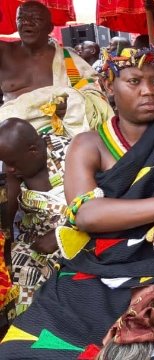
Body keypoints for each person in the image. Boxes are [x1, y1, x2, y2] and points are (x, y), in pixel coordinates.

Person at [0, 47, 154, 359]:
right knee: (22, 349)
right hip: (96, 267)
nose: (148, 91)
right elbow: (85, 215)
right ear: (109, 86)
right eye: (134, 81)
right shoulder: (88, 144)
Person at [0, 1, 113, 137]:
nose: (27, 23)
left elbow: (94, 91)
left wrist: (73, 104)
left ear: (49, 27)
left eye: (36, 19)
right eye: (21, 18)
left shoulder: (68, 60)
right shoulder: (4, 53)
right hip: (10, 138)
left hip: (61, 137)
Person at [0, 118, 69, 316]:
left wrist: (61, 234)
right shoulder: (15, 170)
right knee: (11, 276)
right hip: (34, 239)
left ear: (33, 151)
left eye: (11, 163)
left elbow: (94, 202)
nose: (8, 168)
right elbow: (5, 217)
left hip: (79, 229)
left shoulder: (69, 152)